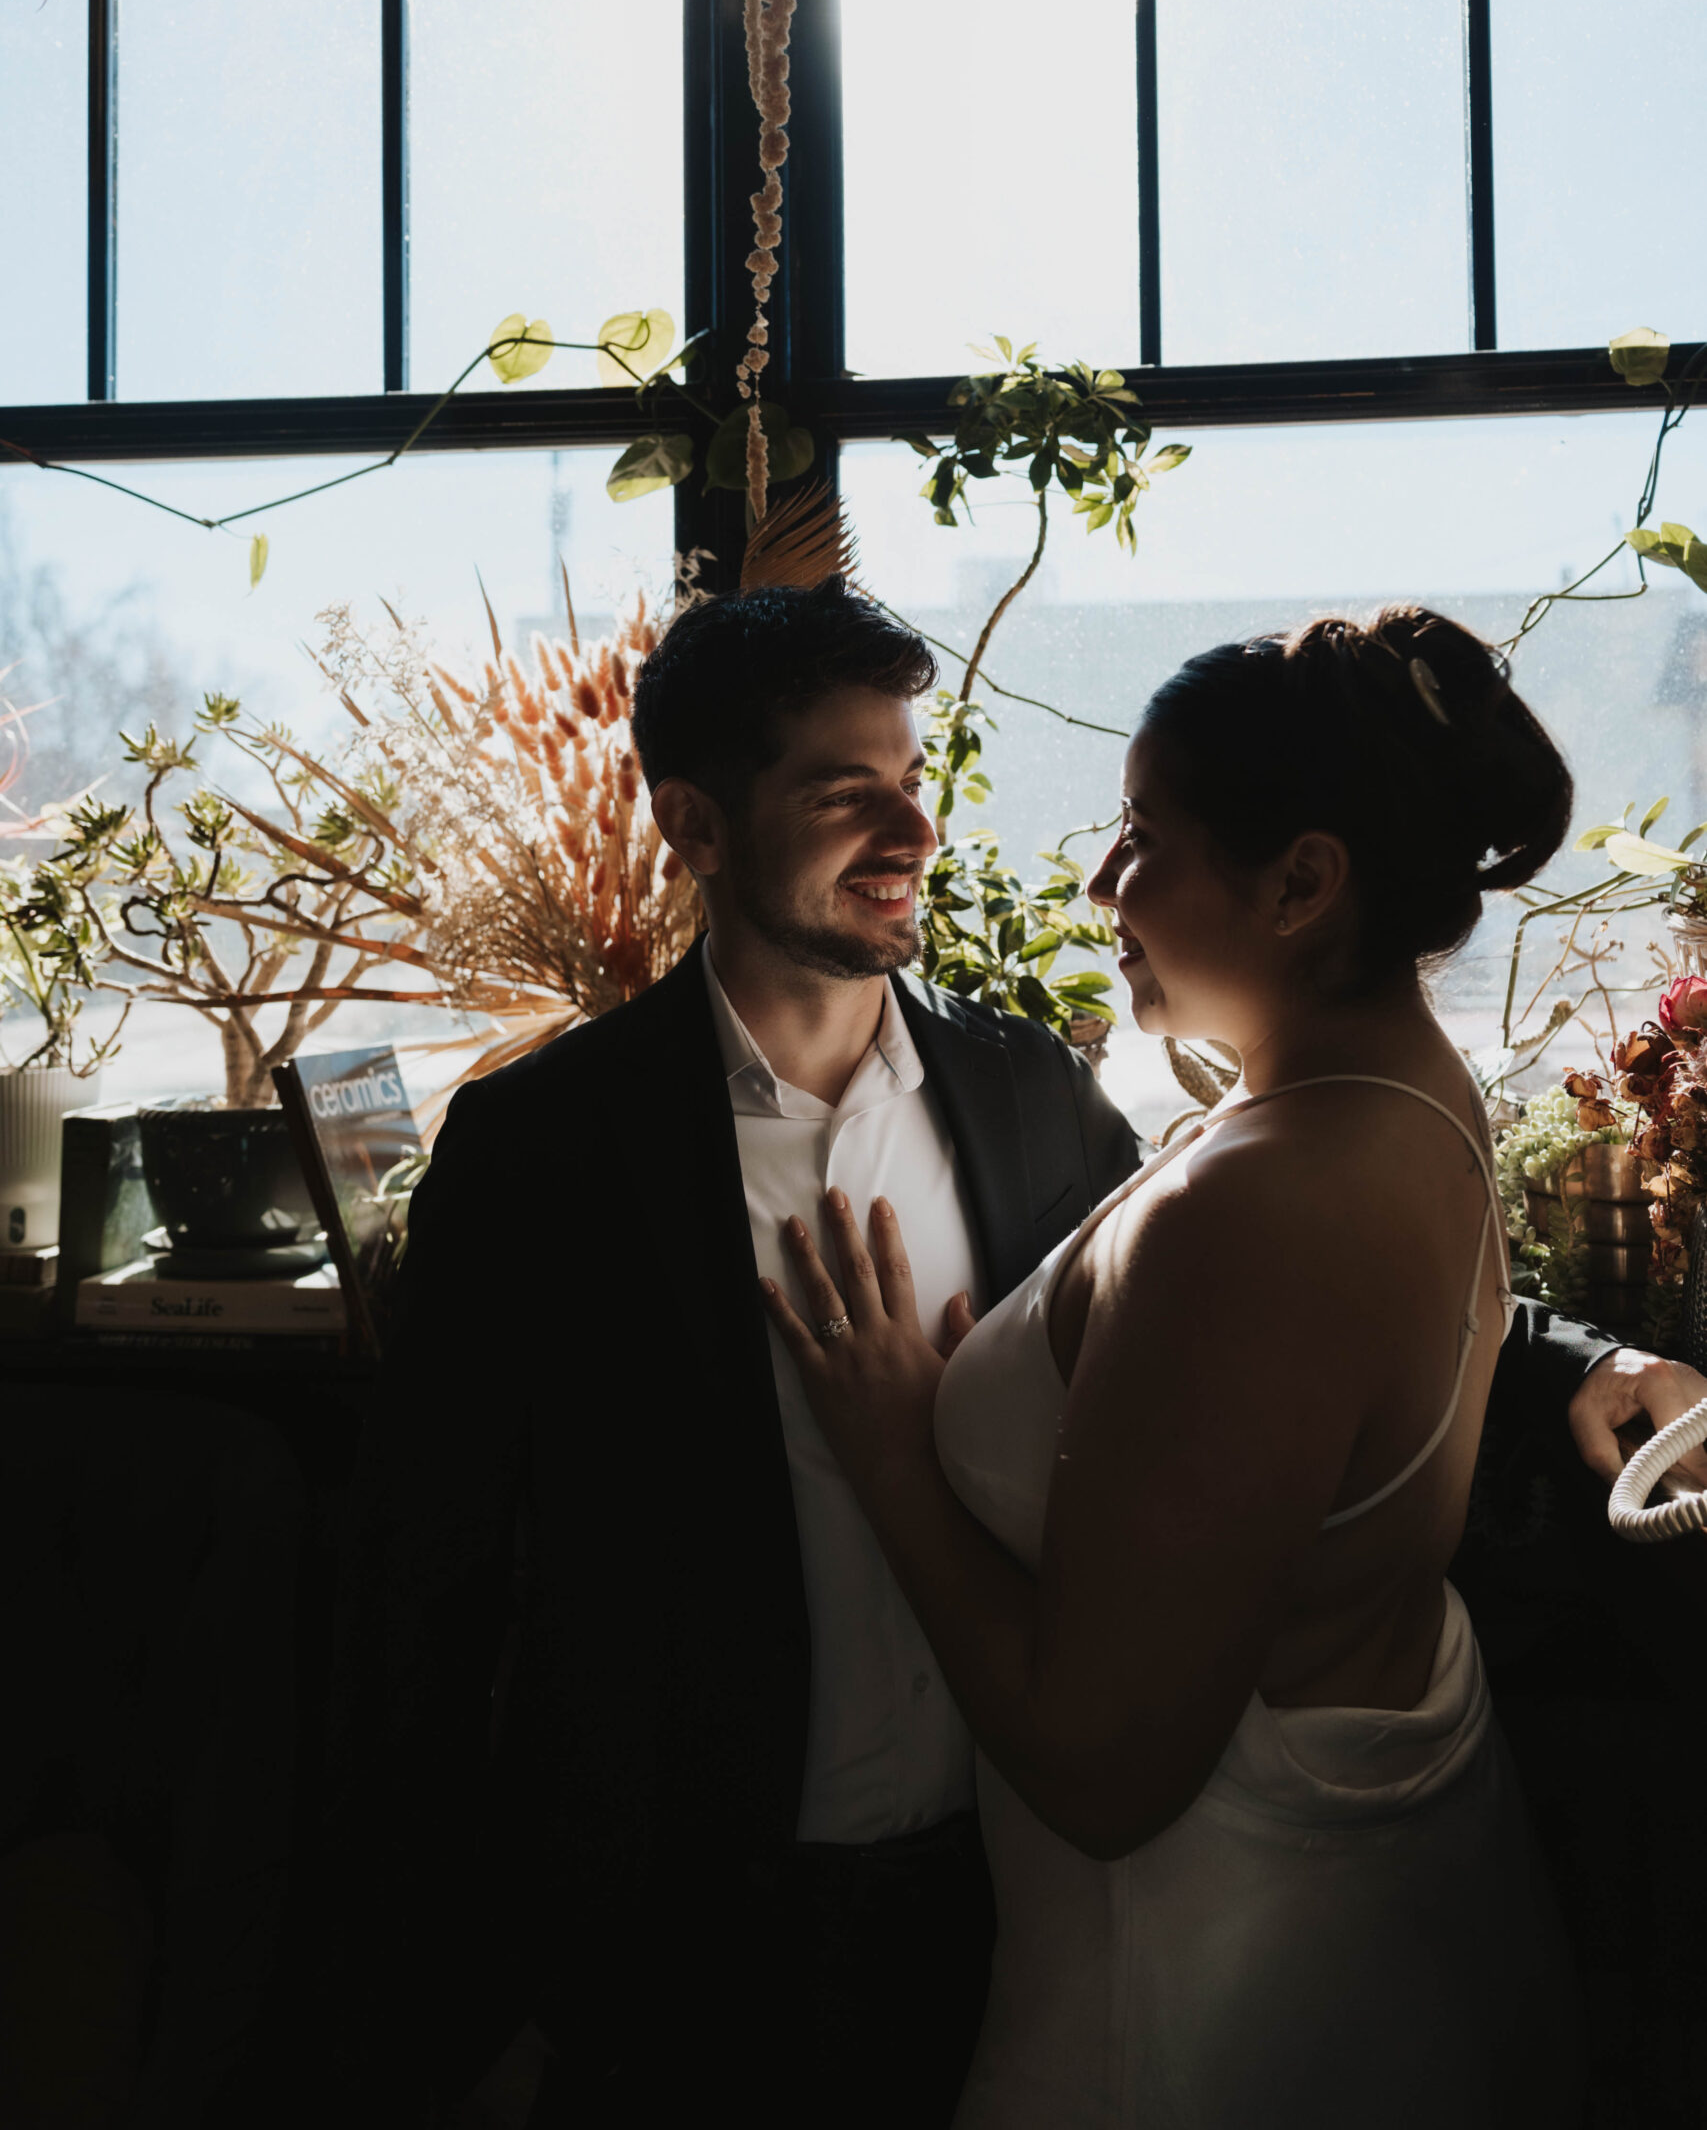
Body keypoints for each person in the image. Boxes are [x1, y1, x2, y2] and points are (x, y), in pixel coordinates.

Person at [326, 584, 1705, 2130]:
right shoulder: (541, 1157)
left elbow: (1265, 1322)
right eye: (847, 796)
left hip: (1001, 1912)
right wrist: (448, 2013)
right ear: (697, 826)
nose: (910, 830)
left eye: (912, 783)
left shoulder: (1027, 1091)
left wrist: (1589, 1357)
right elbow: (420, 1605)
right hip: (693, 1948)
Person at [761, 604, 1707, 2129]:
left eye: (1144, 835)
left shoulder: (1257, 1203)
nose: (1098, 880)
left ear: (1303, 881)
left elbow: (1104, 1769)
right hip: (1374, 1910)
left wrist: (891, 1456)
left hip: (1199, 1995)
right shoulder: (1400, 1089)